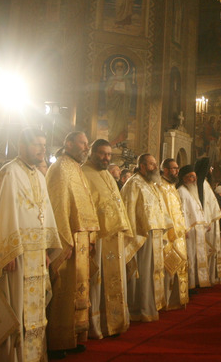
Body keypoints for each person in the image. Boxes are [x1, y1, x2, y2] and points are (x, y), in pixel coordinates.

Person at [0, 128, 62, 362]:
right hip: (16, 255)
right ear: (21, 145)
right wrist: (4, 252)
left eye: (44, 144)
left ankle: (33, 356)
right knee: (16, 308)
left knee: (36, 311)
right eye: (36, 145)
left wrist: (46, 250)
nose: (42, 149)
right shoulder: (9, 173)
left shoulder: (40, 176)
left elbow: (45, 215)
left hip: (36, 255)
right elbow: (1, 215)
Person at [44, 131, 100, 357]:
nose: (86, 147)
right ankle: (58, 341)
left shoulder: (76, 167)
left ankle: (75, 335)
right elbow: (57, 205)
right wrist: (62, 241)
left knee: (79, 290)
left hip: (82, 239)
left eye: (87, 144)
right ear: (68, 143)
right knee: (64, 292)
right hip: (68, 241)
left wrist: (91, 236)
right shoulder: (59, 168)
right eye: (82, 143)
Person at [81, 139, 135, 339]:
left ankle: (115, 321)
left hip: (115, 236)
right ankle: (97, 325)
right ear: (92, 152)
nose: (106, 158)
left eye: (109, 155)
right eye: (102, 154)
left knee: (115, 280)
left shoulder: (106, 175)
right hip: (99, 237)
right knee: (98, 282)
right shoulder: (83, 173)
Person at [120, 154, 172, 322]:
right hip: (141, 235)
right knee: (143, 272)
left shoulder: (152, 184)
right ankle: (141, 308)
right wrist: (131, 234)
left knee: (153, 272)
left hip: (155, 233)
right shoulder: (133, 183)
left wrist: (166, 225)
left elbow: (160, 207)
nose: (154, 167)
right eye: (151, 164)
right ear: (142, 166)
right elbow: (128, 208)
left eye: (155, 164)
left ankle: (152, 305)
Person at [158, 158, 189, 310]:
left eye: (177, 168)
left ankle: (176, 298)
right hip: (168, 235)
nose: (177, 171)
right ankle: (165, 300)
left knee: (179, 265)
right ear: (165, 170)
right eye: (174, 168)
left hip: (179, 234)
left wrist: (184, 228)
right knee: (167, 268)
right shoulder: (159, 187)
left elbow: (179, 211)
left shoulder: (172, 187)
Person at [194, 157, 221, 285]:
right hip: (206, 223)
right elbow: (201, 205)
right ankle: (204, 276)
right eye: (210, 167)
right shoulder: (200, 184)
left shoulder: (205, 183)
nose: (212, 169)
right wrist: (205, 222)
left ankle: (211, 275)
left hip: (211, 221)